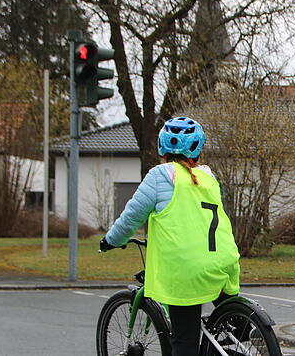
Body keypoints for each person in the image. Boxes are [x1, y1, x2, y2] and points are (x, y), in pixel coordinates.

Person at [99, 117, 241, 356]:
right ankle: (242, 332)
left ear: (163, 149)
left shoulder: (160, 176)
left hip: (186, 269)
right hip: (223, 262)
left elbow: (131, 217)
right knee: (228, 322)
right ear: (198, 151)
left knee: (184, 342)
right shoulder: (209, 178)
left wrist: (111, 240)